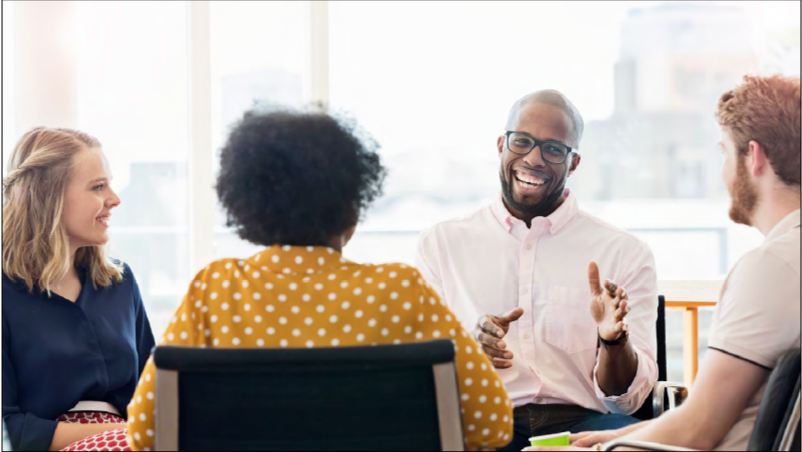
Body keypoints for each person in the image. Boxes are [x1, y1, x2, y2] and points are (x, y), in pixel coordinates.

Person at [126, 107, 513, 451]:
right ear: (351, 205)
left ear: (250, 204)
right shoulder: (400, 290)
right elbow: (493, 422)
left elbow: (145, 430)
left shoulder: (216, 289)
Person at [527, 74, 801, 452]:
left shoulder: (769, 268)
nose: (722, 174)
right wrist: (609, 437)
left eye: (724, 152)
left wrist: (598, 448)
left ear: (753, 157)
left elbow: (696, 430)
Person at [415, 90, 659, 450]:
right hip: (484, 422)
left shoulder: (624, 253)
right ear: (501, 145)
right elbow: (423, 374)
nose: (534, 158)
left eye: (553, 149)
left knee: (632, 444)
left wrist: (612, 339)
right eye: (523, 142)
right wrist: (470, 353)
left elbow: (627, 401)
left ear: (573, 163)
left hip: (582, 425)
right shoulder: (442, 243)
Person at [2, 127, 155, 451]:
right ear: (48, 196)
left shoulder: (121, 282)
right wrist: (122, 434)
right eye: (98, 186)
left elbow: (153, 395)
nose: (114, 198)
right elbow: (8, 428)